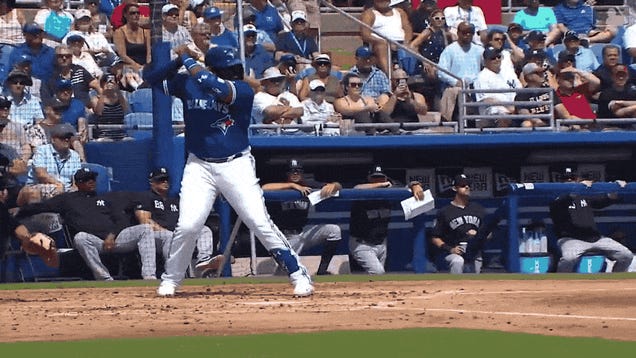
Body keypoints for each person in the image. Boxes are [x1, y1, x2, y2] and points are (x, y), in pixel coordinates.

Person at [142, 45, 314, 297]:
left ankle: (297, 273)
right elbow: (152, 79)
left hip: (236, 164)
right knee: (188, 225)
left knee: (258, 221)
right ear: (214, 68)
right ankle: (171, 279)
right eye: (228, 68)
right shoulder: (188, 83)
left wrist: (189, 59)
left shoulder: (243, 90)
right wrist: (178, 60)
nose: (234, 71)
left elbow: (218, 89)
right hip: (199, 165)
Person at [17, 167, 159, 280]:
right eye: (86, 180)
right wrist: (17, 212)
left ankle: (149, 276)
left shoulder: (105, 198)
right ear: (78, 183)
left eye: (92, 178)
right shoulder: (67, 200)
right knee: (80, 237)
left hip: (115, 240)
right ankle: (104, 278)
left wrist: (112, 236)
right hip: (93, 241)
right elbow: (41, 207)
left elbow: (120, 219)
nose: (91, 181)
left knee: (145, 229)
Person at [134, 167, 224, 277]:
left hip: (177, 233)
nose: (165, 182)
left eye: (166, 179)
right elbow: (145, 221)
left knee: (204, 229)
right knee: (169, 236)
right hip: (156, 236)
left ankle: (203, 261)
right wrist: (167, 232)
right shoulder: (146, 197)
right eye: (161, 180)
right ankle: (173, 273)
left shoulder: (175, 200)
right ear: (152, 182)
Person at [262, 159, 342, 275]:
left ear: (302, 173)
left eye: (297, 171)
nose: (295, 174)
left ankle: (322, 271)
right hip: (284, 237)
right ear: (287, 173)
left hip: (302, 233)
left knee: (333, 230)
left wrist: (334, 185)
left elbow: (338, 186)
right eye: (292, 171)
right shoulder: (282, 186)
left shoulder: (308, 185)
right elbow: (264, 188)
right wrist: (292, 185)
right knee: (284, 274)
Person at [549, 168, 633, 272]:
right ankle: (560, 285)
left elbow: (603, 200)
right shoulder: (555, 197)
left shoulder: (584, 195)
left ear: (577, 179)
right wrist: (580, 187)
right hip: (571, 239)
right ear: (560, 181)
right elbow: (567, 197)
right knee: (568, 259)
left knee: (626, 255)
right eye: (566, 179)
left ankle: (615, 280)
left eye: (572, 178)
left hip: (595, 238)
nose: (569, 180)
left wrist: (616, 188)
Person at [349, 165, 422, 275]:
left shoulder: (391, 190)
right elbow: (356, 188)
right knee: (378, 272)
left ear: (386, 178)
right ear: (369, 178)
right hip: (362, 243)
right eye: (374, 177)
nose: (377, 180)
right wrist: (381, 184)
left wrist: (415, 185)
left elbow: (408, 186)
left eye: (381, 177)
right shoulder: (362, 192)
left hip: (381, 243)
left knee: (378, 279)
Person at [430, 174, 486, 274]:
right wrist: (450, 249)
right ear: (454, 188)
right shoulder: (445, 211)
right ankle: (455, 286)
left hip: (474, 252)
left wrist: (478, 234)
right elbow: (435, 237)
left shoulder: (478, 209)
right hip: (451, 253)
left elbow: (489, 233)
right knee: (457, 261)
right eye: (463, 185)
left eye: (468, 185)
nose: (467, 187)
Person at [17, 123, 81, 206]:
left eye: (68, 138)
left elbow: (76, 179)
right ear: (53, 140)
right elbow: (41, 174)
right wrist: (58, 184)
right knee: (33, 192)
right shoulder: (42, 151)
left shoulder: (74, 155)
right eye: (62, 138)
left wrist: (75, 191)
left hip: (65, 190)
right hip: (42, 186)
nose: (66, 140)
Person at [437, 22, 484, 122]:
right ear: (458, 33)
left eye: (470, 32)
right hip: (457, 87)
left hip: (475, 86)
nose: (468, 35)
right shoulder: (450, 50)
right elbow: (441, 72)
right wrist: (455, 82)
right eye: (464, 32)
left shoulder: (479, 50)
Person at [473, 46, 522, 128]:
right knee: (503, 116)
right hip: (494, 110)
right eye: (492, 58)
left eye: (498, 57)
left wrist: (518, 107)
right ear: (485, 61)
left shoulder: (508, 73)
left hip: (515, 107)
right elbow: (487, 100)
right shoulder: (482, 77)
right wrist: (509, 106)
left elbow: (520, 90)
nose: (497, 59)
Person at [360, 0, 413, 74]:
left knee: (414, 46)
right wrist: (385, 42)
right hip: (380, 43)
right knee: (381, 47)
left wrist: (406, 42)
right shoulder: (369, 14)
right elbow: (365, 34)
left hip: (401, 42)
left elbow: (408, 29)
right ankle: (392, 78)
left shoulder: (399, 12)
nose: (383, 1)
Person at [515, 62, 567, 127]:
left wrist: (570, 120)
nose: (542, 75)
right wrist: (538, 121)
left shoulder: (549, 90)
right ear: (528, 76)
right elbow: (524, 113)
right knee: (526, 124)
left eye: (542, 72)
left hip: (551, 123)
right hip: (535, 125)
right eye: (538, 73)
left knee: (574, 120)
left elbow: (560, 108)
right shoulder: (521, 95)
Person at [112, 3, 151, 74]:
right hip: (128, 64)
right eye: (132, 13)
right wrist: (137, 66)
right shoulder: (119, 32)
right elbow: (123, 55)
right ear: (125, 15)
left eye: (138, 13)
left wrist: (147, 65)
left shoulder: (146, 32)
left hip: (144, 64)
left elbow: (149, 53)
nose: (136, 15)